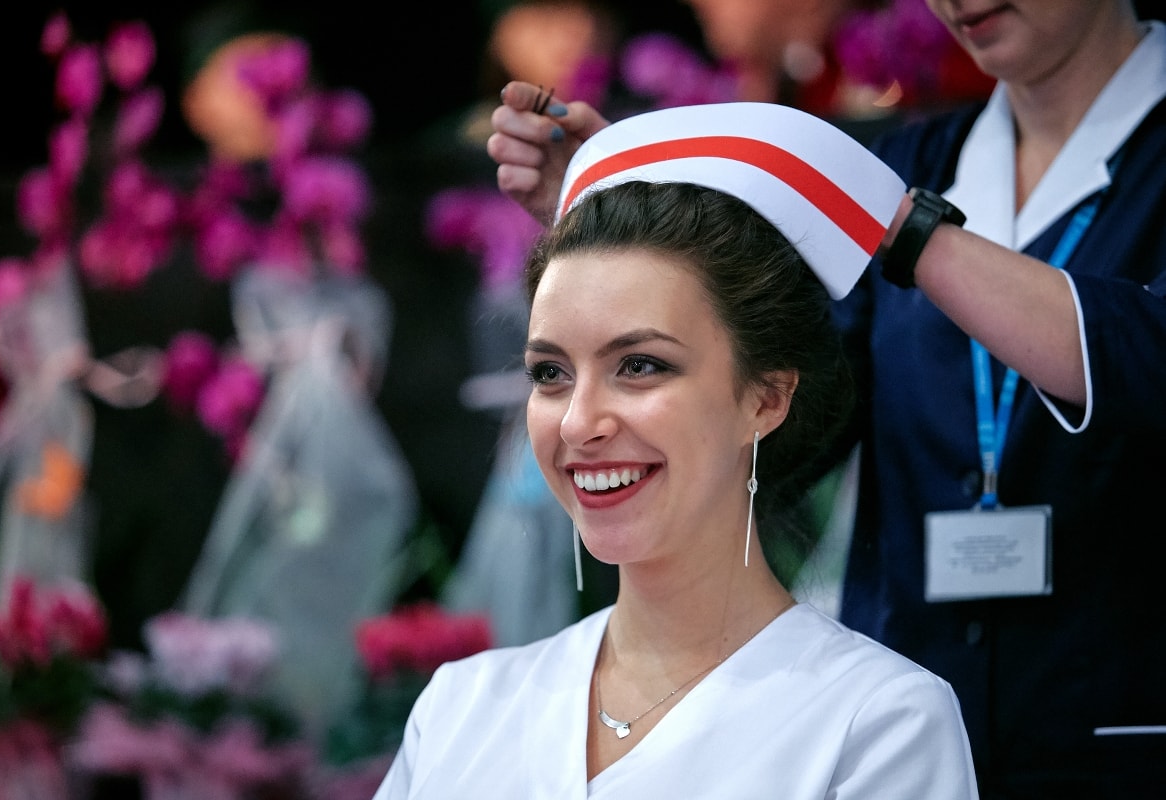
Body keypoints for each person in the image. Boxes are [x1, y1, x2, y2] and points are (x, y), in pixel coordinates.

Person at [486, 0, 1166, 795]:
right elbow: (782, 399)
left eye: (632, 369)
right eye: (550, 375)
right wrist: (631, 245)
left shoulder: (893, 195)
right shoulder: (916, 158)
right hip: (894, 713)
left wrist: (895, 222)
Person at [373, 101, 978, 798]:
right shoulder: (460, 710)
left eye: (639, 366)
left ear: (766, 398)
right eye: (551, 373)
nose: (578, 423)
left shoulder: (877, 724)